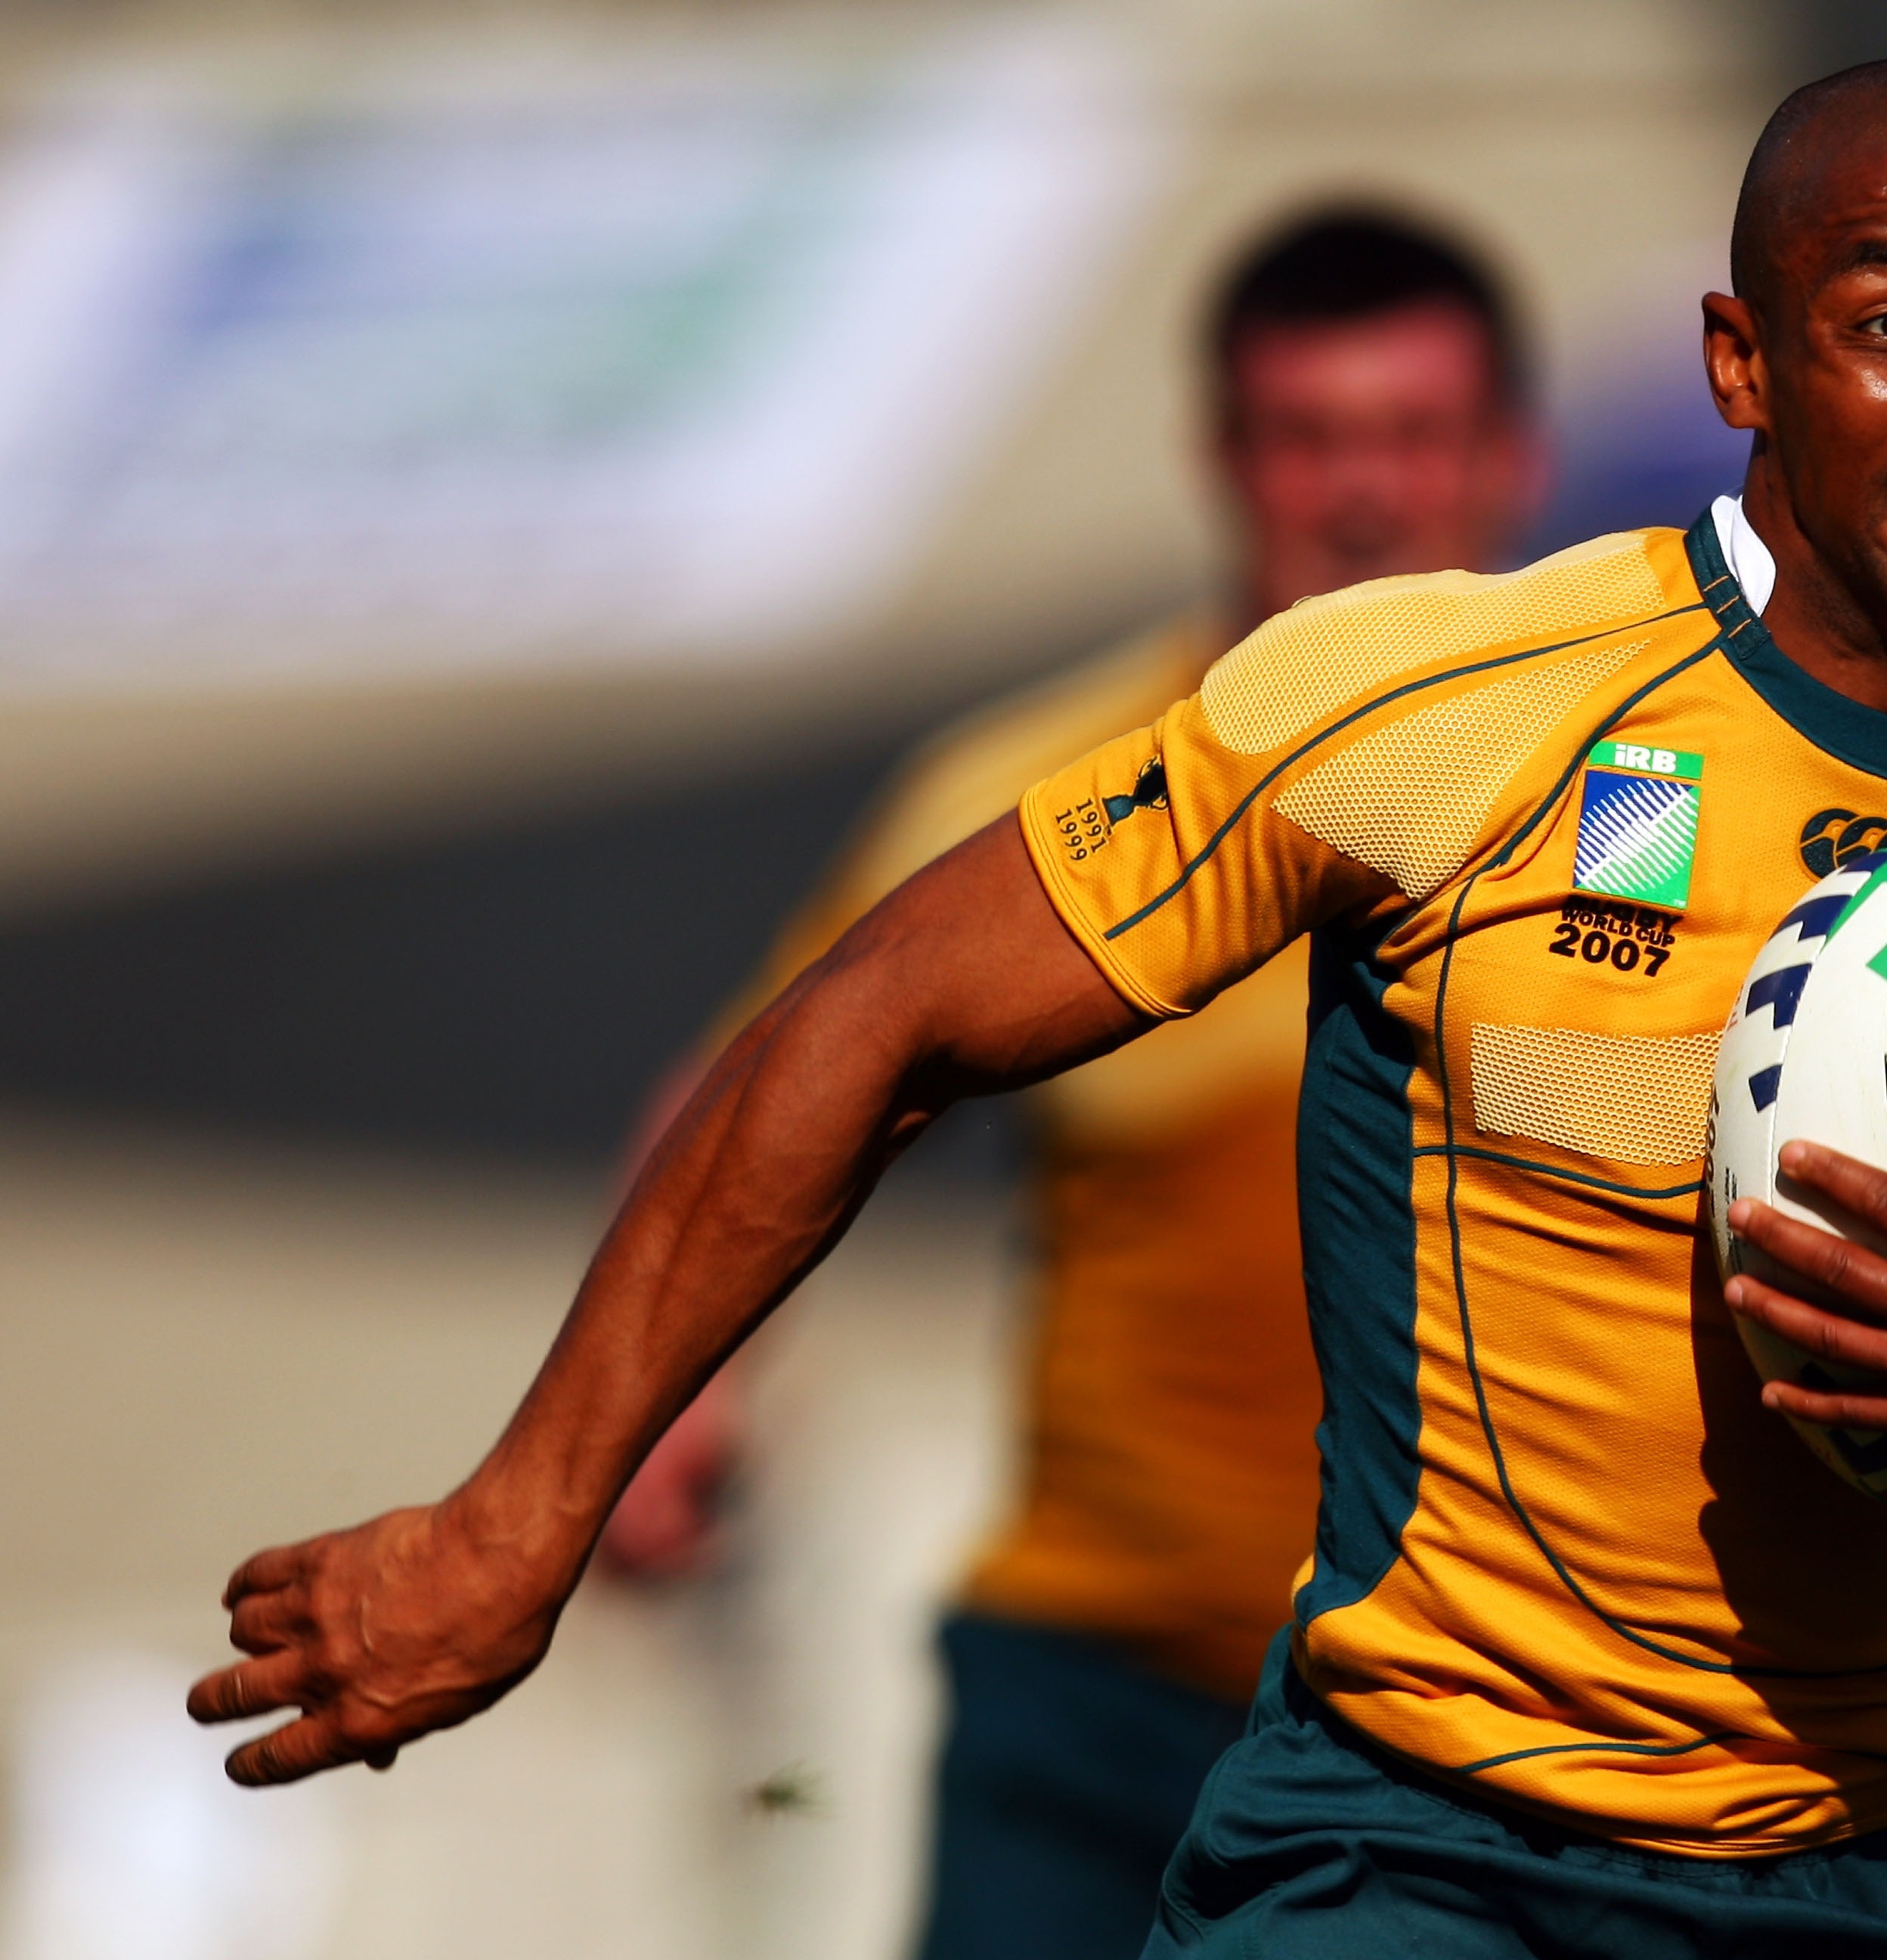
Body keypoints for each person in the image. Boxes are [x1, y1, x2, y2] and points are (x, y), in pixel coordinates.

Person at [193, 60, 1887, 1960]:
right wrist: (523, 1518)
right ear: (1744, 363)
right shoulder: (1441, 712)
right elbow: (870, 1014)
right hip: (1421, 1852)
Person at [600, 208, 1548, 1958]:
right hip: (1095, 1690)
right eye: (1308, 439)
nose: (1362, 496)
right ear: (1220, 458)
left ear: (1511, 459)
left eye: (1413, 438)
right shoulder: (1047, 787)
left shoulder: (1649, 798)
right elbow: (762, 1080)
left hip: (1487, 1732)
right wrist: (660, 1404)